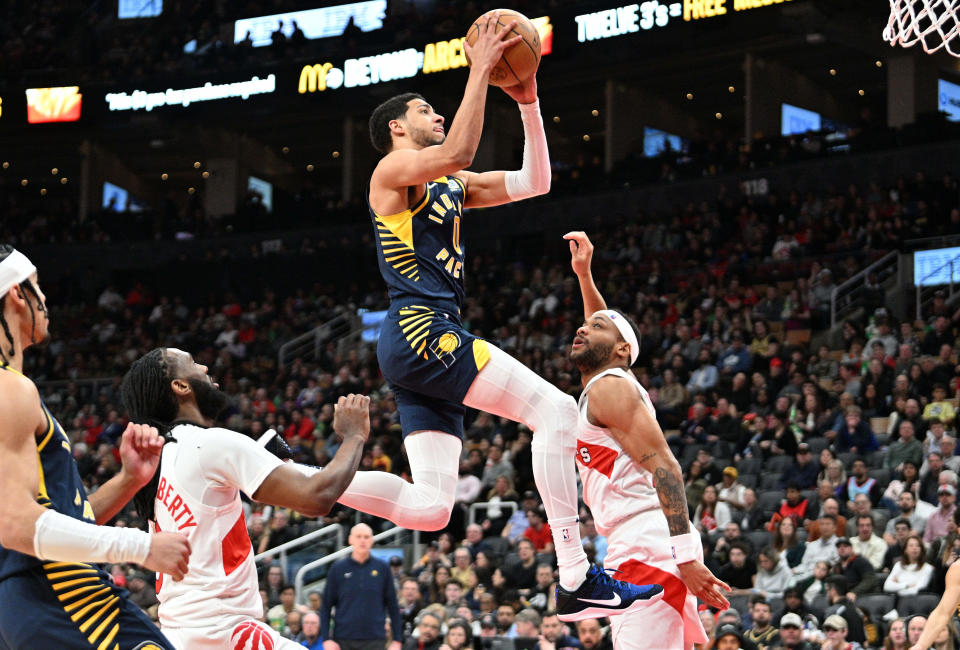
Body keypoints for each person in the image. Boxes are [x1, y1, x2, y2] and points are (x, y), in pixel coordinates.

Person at [353, 13, 642, 620]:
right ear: (398, 127)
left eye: (438, 107)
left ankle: (293, 479)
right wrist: (481, 67)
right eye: (426, 109)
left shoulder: (450, 182)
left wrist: (529, 100)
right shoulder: (391, 171)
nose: (436, 115)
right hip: (422, 329)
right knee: (557, 410)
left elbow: (536, 181)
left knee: (433, 507)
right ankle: (575, 574)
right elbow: (458, 144)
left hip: (419, 346)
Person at [0, 246, 192, 649]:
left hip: (31, 600)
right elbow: (16, 526)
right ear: (17, 293)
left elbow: (50, 520)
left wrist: (127, 481)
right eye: (37, 285)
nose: (46, 298)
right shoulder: (10, 390)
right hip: (63, 595)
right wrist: (140, 546)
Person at [120, 347, 371, 650]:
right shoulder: (209, 443)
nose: (203, 366)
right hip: (225, 630)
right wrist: (354, 436)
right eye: (191, 363)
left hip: (178, 633)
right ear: (180, 386)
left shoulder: (158, 461)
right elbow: (316, 497)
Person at [564, 231, 730, 648]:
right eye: (584, 325)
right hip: (639, 541)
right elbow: (604, 326)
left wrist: (685, 556)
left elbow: (667, 468)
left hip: (647, 546)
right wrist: (585, 276)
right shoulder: (608, 384)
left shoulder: (610, 388)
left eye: (594, 327)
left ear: (621, 349)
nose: (582, 329)